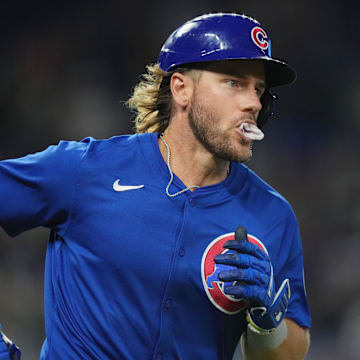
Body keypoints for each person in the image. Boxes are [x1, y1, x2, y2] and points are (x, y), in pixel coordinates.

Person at [0, 12, 311, 360]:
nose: (253, 102)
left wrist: (267, 325)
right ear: (181, 89)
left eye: (259, 90)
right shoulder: (87, 169)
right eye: (234, 83)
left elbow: (290, 352)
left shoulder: (271, 214)